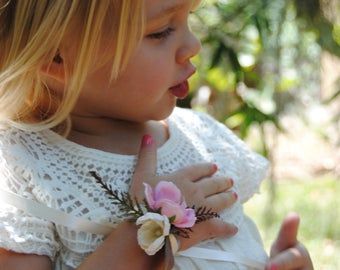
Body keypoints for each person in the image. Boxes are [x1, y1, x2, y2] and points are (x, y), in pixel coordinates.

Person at [0, 0, 313, 269]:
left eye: (188, 19)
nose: (193, 45)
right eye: (160, 31)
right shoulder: (22, 169)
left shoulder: (203, 139)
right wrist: (142, 240)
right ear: (55, 58)